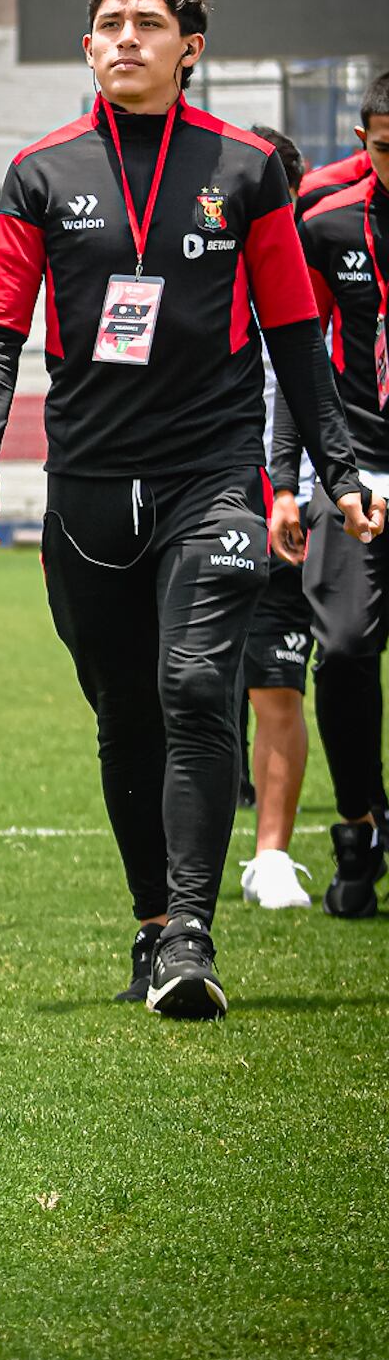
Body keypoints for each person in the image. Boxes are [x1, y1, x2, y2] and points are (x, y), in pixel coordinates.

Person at [0, 0, 378, 1019]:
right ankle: (151, 923)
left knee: (195, 684)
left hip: (211, 474)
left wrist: (336, 465)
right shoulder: (37, 171)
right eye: (107, 21)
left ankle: (192, 931)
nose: (124, 36)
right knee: (122, 715)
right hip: (86, 487)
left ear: (187, 50)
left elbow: (292, 331)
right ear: (86, 43)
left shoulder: (245, 169)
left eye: (146, 21)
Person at [272, 67, 389, 917]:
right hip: (359, 477)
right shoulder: (327, 228)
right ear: (363, 144)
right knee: (345, 650)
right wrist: (285, 477)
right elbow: (296, 359)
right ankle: (358, 828)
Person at [237, 126, 315, 910]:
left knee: (276, 687)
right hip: (199, 498)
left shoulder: (309, 281)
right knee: (172, 688)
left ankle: (272, 854)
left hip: (282, 506)